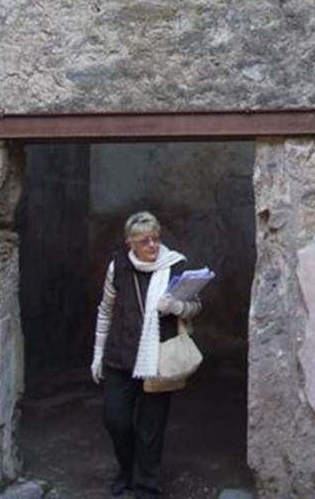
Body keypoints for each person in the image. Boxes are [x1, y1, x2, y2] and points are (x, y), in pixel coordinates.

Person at [91, 211, 202, 499]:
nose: (152, 245)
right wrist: (97, 353)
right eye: (144, 241)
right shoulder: (118, 266)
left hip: (158, 357)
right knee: (115, 419)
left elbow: (195, 307)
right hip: (120, 356)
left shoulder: (175, 265)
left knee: (151, 428)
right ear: (130, 244)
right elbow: (105, 310)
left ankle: (144, 486)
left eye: (156, 238)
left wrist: (176, 307)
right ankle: (127, 470)